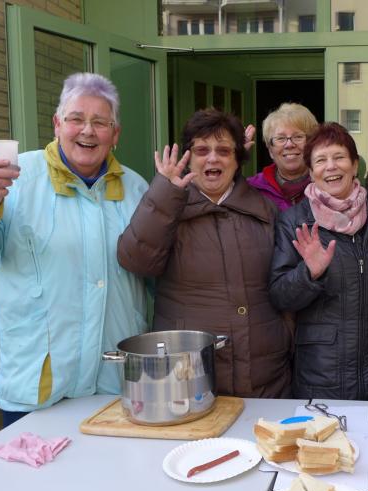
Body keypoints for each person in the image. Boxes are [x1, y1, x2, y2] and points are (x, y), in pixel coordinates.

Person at [0, 73, 149, 426]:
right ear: (57, 124)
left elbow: (155, 272)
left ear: (115, 134)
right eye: (76, 119)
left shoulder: (136, 189)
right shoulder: (14, 178)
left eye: (100, 122)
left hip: (115, 382)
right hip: (37, 383)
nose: (87, 131)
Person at [117, 109, 292, 398]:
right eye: (201, 150)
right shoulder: (168, 205)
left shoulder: (265, 210)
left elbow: (284, 286)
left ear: (237, 159)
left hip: (266, 376)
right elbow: (136, 261)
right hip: (190, 375)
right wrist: (164, 193)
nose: (212, 158)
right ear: (188, 158)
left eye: (224, 150)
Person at [269, 122, 368, 400]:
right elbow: (279, 295)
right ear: (311, 172)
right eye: (321, 160)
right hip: (320, 374)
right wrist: (309, 273)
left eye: (339, 157)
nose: (331, 166)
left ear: (355, 165)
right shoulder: (295, 221)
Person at [248, 103, 318, 211]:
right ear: (270, 150)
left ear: (312, 143)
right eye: (280, 138)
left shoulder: (326, 185)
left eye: (298, 137)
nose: (289, 145)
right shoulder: (252, 188)